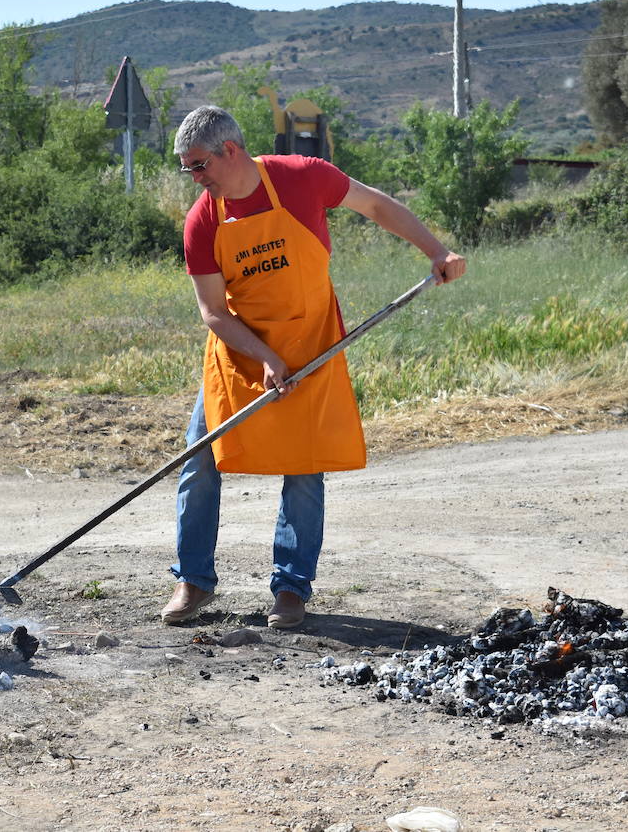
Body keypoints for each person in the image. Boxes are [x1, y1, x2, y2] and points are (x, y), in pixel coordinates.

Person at [162, 105, 466, 630]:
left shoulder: (302, 177)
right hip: (242, 353)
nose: (195, 179)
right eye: (189, 169)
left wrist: (437, 251)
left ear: (229, 151)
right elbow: (213, 312)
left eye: (197, 166)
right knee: (201, 463)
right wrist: (265, 357)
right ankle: (193, 582)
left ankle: (291, 589)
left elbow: (376, 206)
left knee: (304, 467)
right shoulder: (203, 219)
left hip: (310, 349)